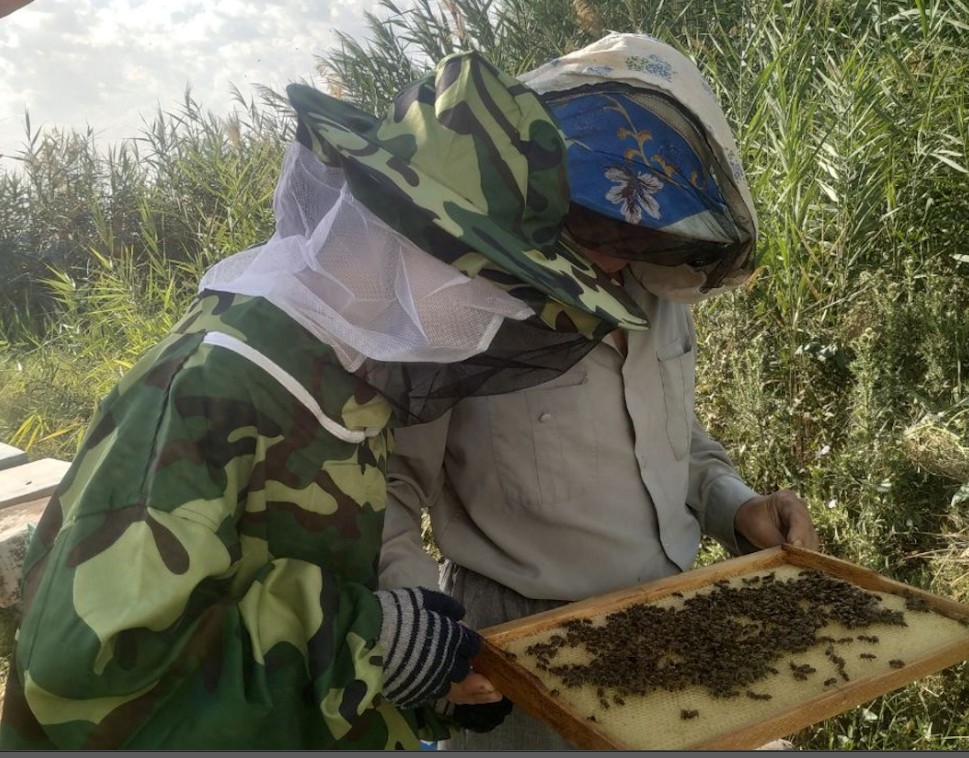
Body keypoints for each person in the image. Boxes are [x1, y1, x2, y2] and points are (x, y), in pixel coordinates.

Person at [0, 49, 660, 749]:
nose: (498, 316)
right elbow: (88, 678)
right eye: (495, 283)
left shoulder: (338, 365)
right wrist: (371, 643)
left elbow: (298, 594)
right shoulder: (207, 388)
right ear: (408, 240)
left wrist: (421, 679)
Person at [379, 32, 820, 750]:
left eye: (640, 226)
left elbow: (675, 440)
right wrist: (428, 629)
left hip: (674, 621)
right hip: (520, 648)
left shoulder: (659, 293)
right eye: (603, 224)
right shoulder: (463, 310)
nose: (621, 250)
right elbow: (389, 482)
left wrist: (740, 509)